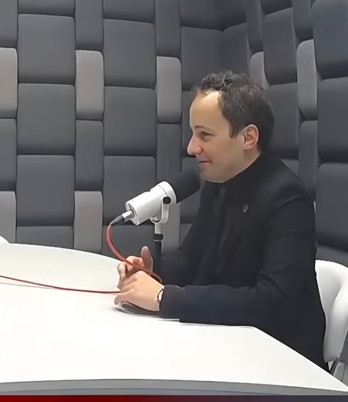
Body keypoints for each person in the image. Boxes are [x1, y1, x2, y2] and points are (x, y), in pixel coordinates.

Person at [114, 70, 327, 370]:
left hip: (280, 366)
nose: (192, 147)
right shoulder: (219, 184)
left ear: (248, 137)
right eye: (193, 134)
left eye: (205, 135)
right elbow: (192, 260)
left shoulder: (287, 198)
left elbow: (273, 301)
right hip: (225, 347)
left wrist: (164, 297)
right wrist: (154, 272)